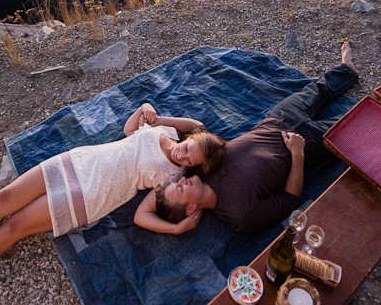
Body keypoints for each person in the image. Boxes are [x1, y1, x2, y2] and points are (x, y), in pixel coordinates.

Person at [0, 103, 226, 279]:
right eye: (188, 146)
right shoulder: (164, 132)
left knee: (13, 227)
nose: (183, 154)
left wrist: (177, 227)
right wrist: (151, 112)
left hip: (93, 192)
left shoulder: (172, 178)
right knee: (3, 200)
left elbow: (142, 215)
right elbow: (131, 128)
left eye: (190, 159)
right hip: (80, 160)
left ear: (192, 167)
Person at [135, 41, 358, 234]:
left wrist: (159, 120)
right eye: (181, 188)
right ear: (191, 208)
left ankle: (347, 68)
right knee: (358, 122)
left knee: (317, 89)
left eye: (179, 182)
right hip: (305, 145)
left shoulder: (200, 168)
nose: (181, 179)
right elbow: (290, 201)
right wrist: (297, 154)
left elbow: (197, 129)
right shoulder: (241, 215)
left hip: (278, 118)